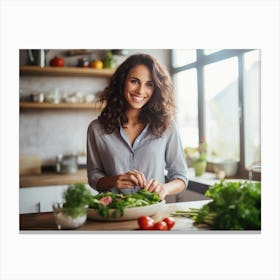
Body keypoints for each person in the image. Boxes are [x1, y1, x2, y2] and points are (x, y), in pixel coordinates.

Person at [87, 53, 188, 200]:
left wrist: (164, 188)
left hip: (152, 215)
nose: (140, 91)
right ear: (122, 82)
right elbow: (93, 175)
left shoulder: (167, 126)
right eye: (134, 81)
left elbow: (180, 176)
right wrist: (114, 180)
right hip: (113, 213)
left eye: (149, 84)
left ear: (156, 89)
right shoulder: (96, 129)